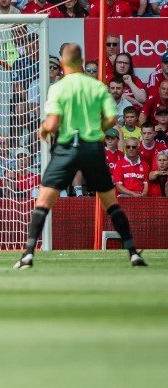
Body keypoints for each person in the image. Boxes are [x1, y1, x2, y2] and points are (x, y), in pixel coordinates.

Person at [14, 43, 147, 270]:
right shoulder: (95, 86)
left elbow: (53, 122)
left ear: (64, 63)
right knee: (111, 204)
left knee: (43, 202)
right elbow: (113, 117)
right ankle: (133, 253)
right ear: (82, 62)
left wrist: (44, 130)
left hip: (67, 147)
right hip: (92, 148)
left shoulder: (58, 87)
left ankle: (27, 255)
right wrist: (96, 128)